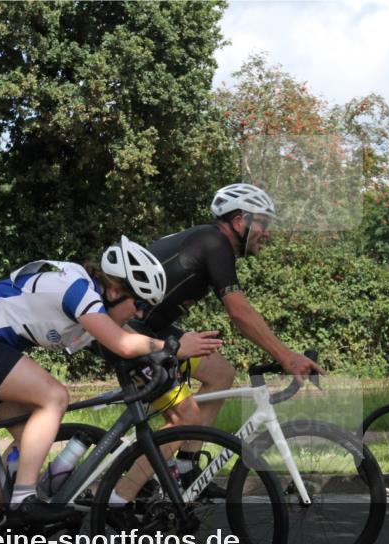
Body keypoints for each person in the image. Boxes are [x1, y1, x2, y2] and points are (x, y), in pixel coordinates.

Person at [0, 237, 222, 524]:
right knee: (54, 397)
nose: (141, 312)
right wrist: (174, 346)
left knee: (29, 437)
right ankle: (23, 502)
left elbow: (126, 338)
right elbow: (122, 343)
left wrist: (162, 360)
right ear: (115, 291)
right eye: (140, 302)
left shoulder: (93, 303)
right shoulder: (79, 291)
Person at [129, 183, 324, 493]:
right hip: (127, 332)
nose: (267, 233)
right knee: (184, 418)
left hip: (151, 329)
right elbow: (239, 312)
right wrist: (287, 357)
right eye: (263, 223)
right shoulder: (214, 242)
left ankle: (187, 469)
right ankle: (120, 495)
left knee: (220, 373)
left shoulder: (208, 240)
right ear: (239, 221)